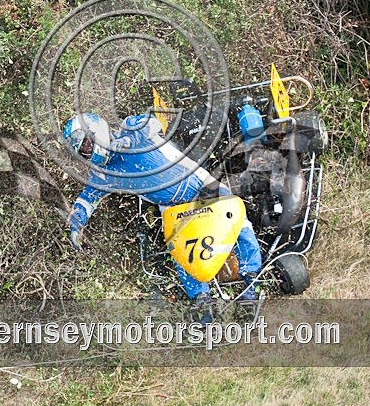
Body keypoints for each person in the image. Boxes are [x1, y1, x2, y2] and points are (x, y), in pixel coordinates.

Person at [62, 112, 262, 304]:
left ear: (96, 130)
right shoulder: (103, 174)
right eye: (81, 150)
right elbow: (87, 199)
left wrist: (130, 140)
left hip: (199, 183)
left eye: (86, 144)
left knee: (238, 220)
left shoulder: (128, 127)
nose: (86, 151)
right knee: (180, 248)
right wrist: (76, 224)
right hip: (172, 207)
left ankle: (251, 284)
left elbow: (153, 122)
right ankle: (202, 301)